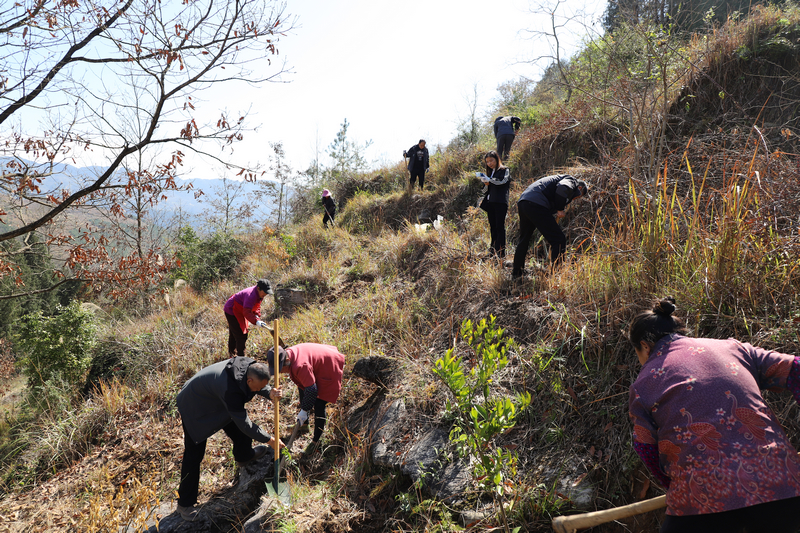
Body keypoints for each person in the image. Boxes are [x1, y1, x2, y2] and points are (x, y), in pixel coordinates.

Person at [628, 297, 800, 533]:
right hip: (783, 479)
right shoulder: (734, 348)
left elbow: (645, 447)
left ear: (644, 346)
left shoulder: (644, 383)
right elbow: (796, 369)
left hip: (704, 494)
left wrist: (672, 485)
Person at [176, 357, 284, 521]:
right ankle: (184, 504)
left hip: (216, 399)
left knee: (239, 430)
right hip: (194, 406)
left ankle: (244, 456)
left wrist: (269, 391)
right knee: (194, 455)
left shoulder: (248, 366)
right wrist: (269, 439)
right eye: (259, 387)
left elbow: (256, 384)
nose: (259, 390)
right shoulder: (230, 390)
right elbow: (246, 424)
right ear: (249, 381)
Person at [268, 343, 345, 455]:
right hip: (317, 363)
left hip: (328, 365)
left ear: (287, 360)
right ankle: (304, 425)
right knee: (303, 388)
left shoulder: (300, 365)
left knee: (319, 403)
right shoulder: (288, 355)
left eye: (280, 369)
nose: (280, 372)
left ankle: (316, 441)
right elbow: (306, 387)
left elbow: (312, 390)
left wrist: (304, 410)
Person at [512, 174, 587, 278]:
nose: (574, 199)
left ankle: (517, 273)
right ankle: (557, 274)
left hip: (524, 202)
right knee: (559, 239)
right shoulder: (572, 181)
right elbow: (562, 188)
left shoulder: (558, 180)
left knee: (524, 239)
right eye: (578, 196)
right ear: (579, 188)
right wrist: (560, 208)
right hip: (536, 203)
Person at [223, 279, 272, 358]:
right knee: (240, 334)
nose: (266, 294)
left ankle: (232, 354)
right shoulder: (251, 295)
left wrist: (256, 315)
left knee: (234, 332)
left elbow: (256, 306)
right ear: (258, 288)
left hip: (241, 309)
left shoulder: (260, 295)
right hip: (232, 310)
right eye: (265, 291)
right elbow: (246, 312)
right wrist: (256, 321)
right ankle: (240, 358)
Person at [477, 151, 511, 259]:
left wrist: (490, 180)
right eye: (487, 162)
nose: (489, 163)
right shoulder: (489, 173)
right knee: (493, 227)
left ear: (497, 159)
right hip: (490, 203)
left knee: (500, 227)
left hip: (500, 202)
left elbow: (503, 182)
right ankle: (492, 251)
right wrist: (486, 183)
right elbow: (484, 191)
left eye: (491, 160)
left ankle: (501, 254)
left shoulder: (505, 170)